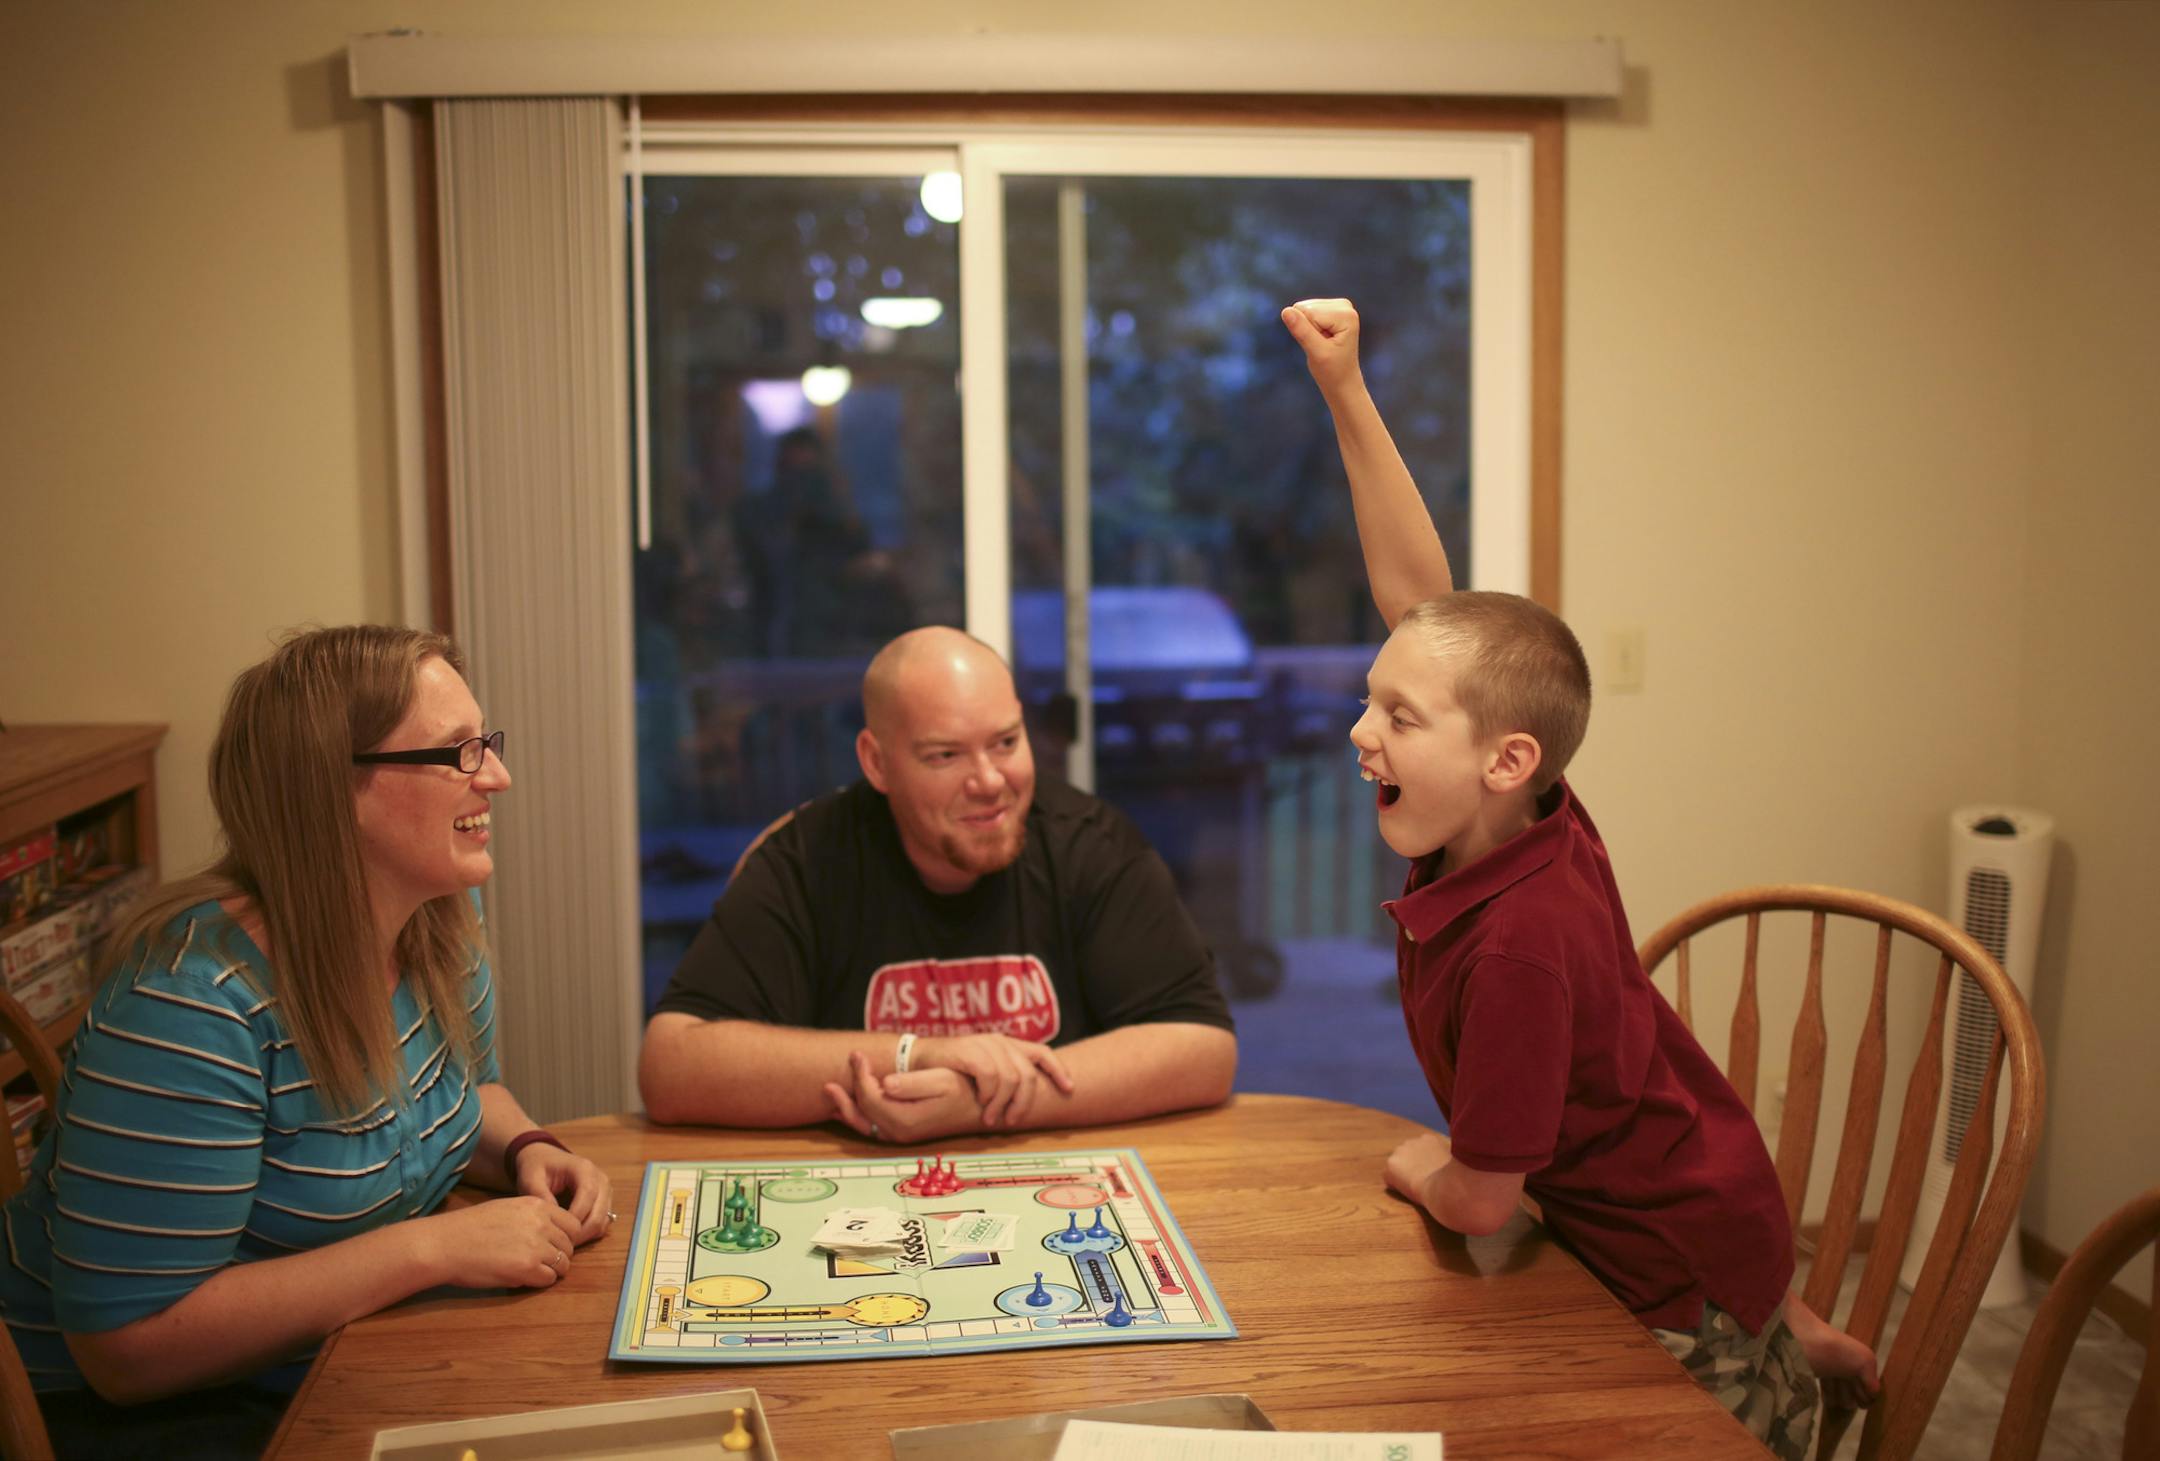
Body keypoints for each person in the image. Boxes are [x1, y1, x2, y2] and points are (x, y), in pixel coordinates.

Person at [1281, 298, 1880, 1457]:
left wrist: (1429, 1166)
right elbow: (1422, 604)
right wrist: (1346, 391)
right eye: (1371, 698)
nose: (1361, 731)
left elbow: (1487, 1199)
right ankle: (1785, 1321)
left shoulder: (1515, 945)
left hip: (1663, 1255)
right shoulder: (1536, 813)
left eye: (1395, 716)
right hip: (1706, 1182)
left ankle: (1773, 1352)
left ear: (1502, 762)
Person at [0, 626, 610, 1458]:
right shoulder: (192, 1006)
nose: (495, 776)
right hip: (134, 1416)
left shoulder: (437, 918)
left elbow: (463, 1094)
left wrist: (528, 1147)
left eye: (487, 745)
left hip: (328, 1353)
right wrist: (434, 1247)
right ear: (334, 790)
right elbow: (127, 1352)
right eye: (460, 753)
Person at [639, 625, 1237, 1142]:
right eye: (945, 756)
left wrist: (986, 1103)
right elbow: (672, 1067)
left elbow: (1204, 1049)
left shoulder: (1087, 841)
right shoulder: (807, 857)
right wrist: (911, 1055)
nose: (989, 782)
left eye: (1006, 743)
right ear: (876, 762)